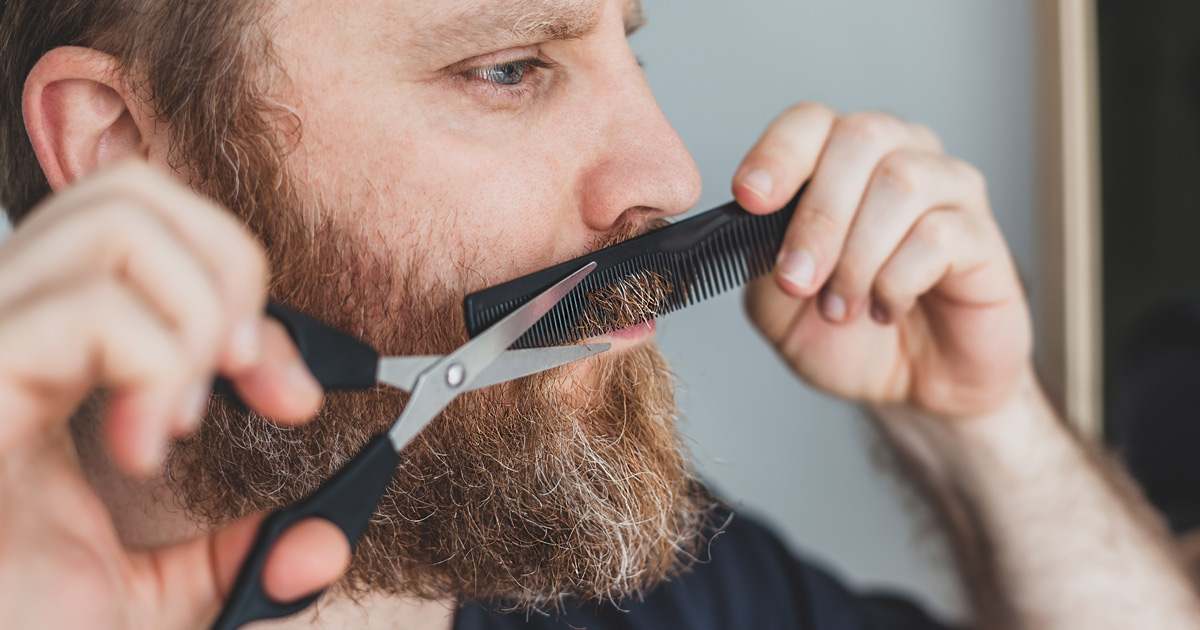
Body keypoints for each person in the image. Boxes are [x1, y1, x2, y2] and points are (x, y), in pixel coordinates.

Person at [0, 0, 1197, 628]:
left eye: (629, 47)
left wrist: (987, 430)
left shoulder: (645, 585)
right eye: (510, 66)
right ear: (117, 150)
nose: (670, 174)